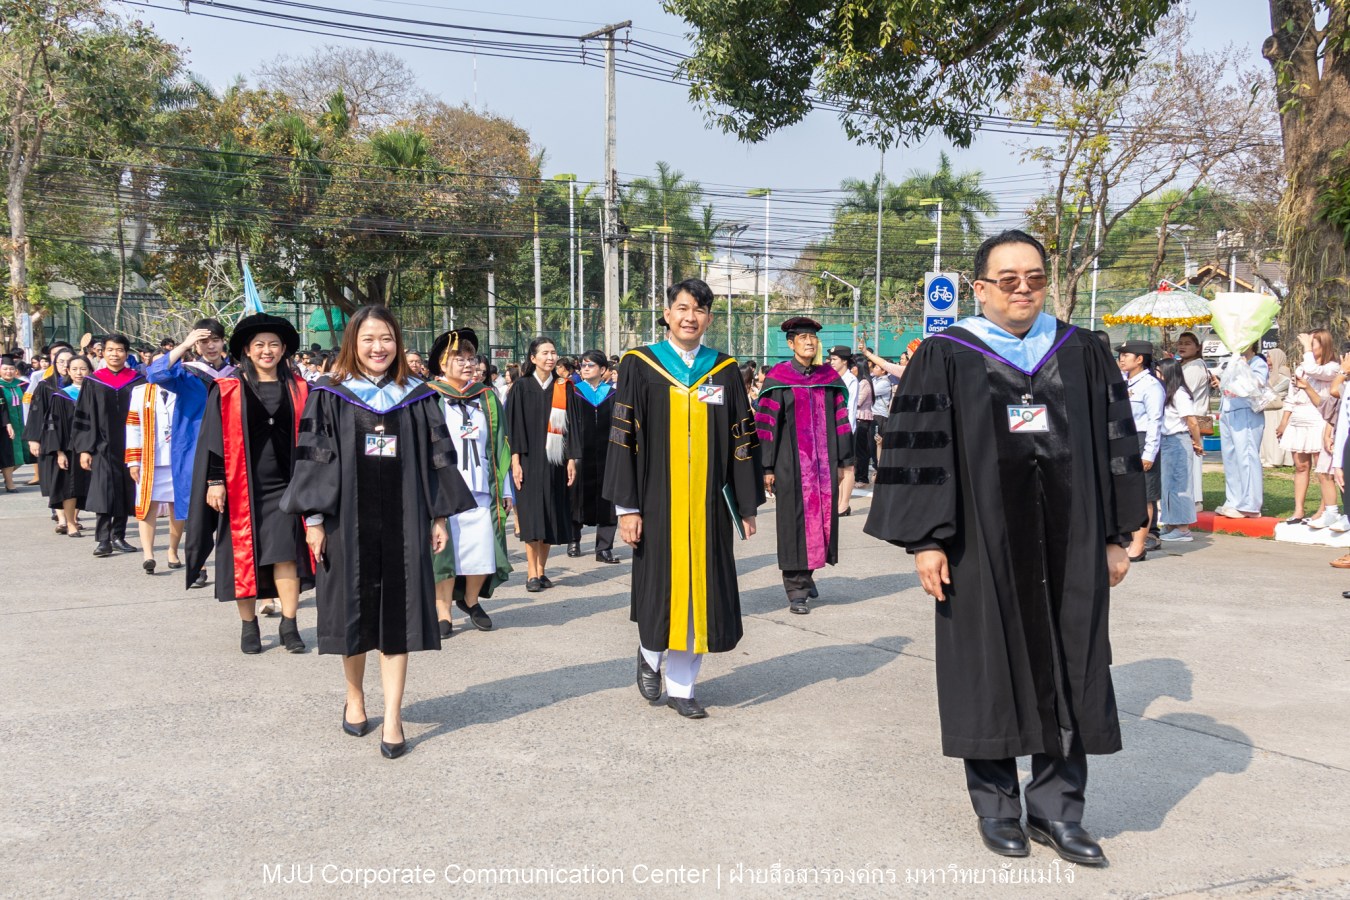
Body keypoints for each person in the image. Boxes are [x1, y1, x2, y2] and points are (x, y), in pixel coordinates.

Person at [865, 230, 1143, 867]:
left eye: (1035, 278)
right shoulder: (947, 354)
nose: (1024, 289)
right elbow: (922, 450)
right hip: (978, 544)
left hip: (1074, 544)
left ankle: (1058, 811)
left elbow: (1114, 442)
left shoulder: (1082, 350)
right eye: (1008, 279)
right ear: (981, 287)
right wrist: (927, 541)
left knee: (1073, 664)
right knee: (986, 666)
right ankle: (996, 807)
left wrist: (1115, 536)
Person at [281, 305, 475, 759]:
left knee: (399, 616)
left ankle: (392, 715)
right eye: (368, 339)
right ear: (353, 343)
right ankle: (355, 697)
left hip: (405, 523)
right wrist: (312, 521)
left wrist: (439, 516)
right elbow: (313, 459)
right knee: (354, 613)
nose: (378, 347)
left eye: (386, 338)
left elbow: (437, 458)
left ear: (398, 341)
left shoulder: (418, 396)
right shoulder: (329, 394)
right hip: (345, 523)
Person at [603, 278, 761, 719]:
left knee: (702, 595)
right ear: (668, 313)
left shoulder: (723, 369)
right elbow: (622, 437)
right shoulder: (640, 364)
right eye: (683, 308)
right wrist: (626, 508)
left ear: (709, 318)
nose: (691, 317)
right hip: (656, 501)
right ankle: (649, 651)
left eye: (700, 310)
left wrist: (745, 505)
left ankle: (682, 687)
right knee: (660, 591)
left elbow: (740, 437)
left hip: (708, 505)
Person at [186, 314, 314, 655]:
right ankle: (249, 626)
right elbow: (215, 439)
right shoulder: (229, 389)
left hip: (287, 487)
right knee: (242, 557)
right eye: (259, 345)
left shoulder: (300, 389)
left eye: (274, 344)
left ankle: (289, 624)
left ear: (284, 349)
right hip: (241, 487)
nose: (267, 351)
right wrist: (215, 481)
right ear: (246, 349)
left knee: (286, 555)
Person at [756, 317, 851, 614]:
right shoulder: (779, 378)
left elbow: (840, 421)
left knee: (820, 522)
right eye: (803, 338)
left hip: (824, 464)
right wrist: (767, 468)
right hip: (790, 464)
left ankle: (807, 576)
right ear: (790, 343)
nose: (810, 342)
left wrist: (843, 462)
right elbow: (766, 427)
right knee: (794, 523)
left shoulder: (827, 378)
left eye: (813, 338)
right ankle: (795, 588)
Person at [427, 327, 513, 637]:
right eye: (458, 358)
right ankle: (442, 612)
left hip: (481, 487)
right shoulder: (429, 397)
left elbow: (501, 444)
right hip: (445, 490)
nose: (467, 364)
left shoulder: (486, 398)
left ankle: (471, 600)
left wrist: (505, 490)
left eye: (470, 358)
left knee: (480, 552)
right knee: (445, 554)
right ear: (441, 363)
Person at [146, 320, 235, 590]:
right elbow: (155, 374)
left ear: (223, 342)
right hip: (193, 449)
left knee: (231, 510)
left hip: (230, 448)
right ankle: (199, 565)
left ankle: (232, 564)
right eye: (203, 341)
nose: (210, 345)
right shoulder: (186, 374)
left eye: (215, 340)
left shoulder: (236, 373)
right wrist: (183, 345)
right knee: (195, 508)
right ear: (196, 345)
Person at [507, 337, 577, 592]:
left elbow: (573, 427)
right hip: (528, 460)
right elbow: (513, 427)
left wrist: (571, 459)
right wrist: (515, 461)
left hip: (555, 460)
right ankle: (531, 572)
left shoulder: (563, 387)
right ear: (533, 358)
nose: (550, 357)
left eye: (553, 353)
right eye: (544, 353)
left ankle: (543, 571)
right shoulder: (521, 387)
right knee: (531, 516)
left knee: (550, 514)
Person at [73, 334, 144, 557]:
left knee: (125, 489)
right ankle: (103, 539)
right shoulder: (94, 381)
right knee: (104, 491)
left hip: (130, 444)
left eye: (120, 350)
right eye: (111, 349)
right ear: (102, 352)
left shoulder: (137, 380)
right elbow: (83, 415)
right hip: (102, 446)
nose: (115, 354)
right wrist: (85, 449)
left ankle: (119, 535)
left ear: (127, 353)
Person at [126, 356, 184, 574]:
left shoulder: (184, 389)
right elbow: (133, 426)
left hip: (178, 458)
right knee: (147, 506)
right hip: (150, 459)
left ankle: (172, 550)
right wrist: (133, 460)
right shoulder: (140, 392)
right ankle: (148, 554)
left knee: (176, 507)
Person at [1277, 330, 1340, 525]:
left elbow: (1315, 371)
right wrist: (1284, 421)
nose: (1309, 348)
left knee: (1323, 469)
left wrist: (1306, 350)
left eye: (1313, 344)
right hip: (1299, 419)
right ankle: (1298, 510)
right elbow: (1291, 395)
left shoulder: (1332, 367)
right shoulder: (1302, 367)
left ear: (1324, 346)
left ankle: (1325, 510)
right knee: (1301, 466)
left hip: (1319, 419)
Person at [567, 350, 621, 563]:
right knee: (575, 496)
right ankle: (574, 539)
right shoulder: (574, 392)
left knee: (608, 499)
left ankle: (604, 548)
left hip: (608, 454)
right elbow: (569, 425)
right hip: (581, 454)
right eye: (583, 365)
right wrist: (571, 453)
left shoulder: (613, 393)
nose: (585, 368)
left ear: (603, 370)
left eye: (590, 365)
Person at [1117, 340, 1164, 561]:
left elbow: (1155, 421)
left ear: (1140, 359)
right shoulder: (1125, 382)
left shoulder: (1151, 386)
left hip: (1143, 440)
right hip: (1127, 439)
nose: (1122, 358)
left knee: (1145, 495)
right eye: (1121, 355)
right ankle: (1130, 539)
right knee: (1129, 493)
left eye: (1126, 355)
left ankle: (1139, 545)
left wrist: (1149, 453)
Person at [1213, 343, 1269, 519]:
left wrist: (1242, 365)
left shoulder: (1257, 362)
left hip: (1246, 411)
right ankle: (1234, 500)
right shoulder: (1232, 361)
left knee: (1247, 456)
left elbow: (1255, 385)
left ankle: (1250, 504)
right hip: (1228, 410)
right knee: (1231, 458)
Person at [24, 347, 75, 527]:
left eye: (68, 362)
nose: (64, 365)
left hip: (74, 439)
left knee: (73, 480)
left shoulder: (79, 386)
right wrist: (33, 439)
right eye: (60, 362)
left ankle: (72, 519)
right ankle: (62, 519)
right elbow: (36, 413)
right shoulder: (45, 385)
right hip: (50, 438)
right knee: (56, 479)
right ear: (55, 363)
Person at [1155, 358, 1204, 542]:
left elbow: (1192, 421)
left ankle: (1183, 528)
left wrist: (1196, 442)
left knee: (1179, 484)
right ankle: (1171, 523)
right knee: (1167, 485)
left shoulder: (1179, 394)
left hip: (1177, 440)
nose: (1157, 374)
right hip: (1166, 441)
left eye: (1159, 371)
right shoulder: (1166, 393)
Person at [42, 356, 93, 535]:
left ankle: (76, 518)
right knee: (70, 487)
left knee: (87, 486)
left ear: (90, 370)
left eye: (83, 369)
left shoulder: (96, 393)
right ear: (68, 372)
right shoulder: (61, 396)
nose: (79, 373)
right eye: (75, 369)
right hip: (71, 449)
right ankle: (70, 522)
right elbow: (54, 426)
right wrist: (59, 452)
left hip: (94, 447)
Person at [1176, 332, 1211, 511]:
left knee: (1193, 461)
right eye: (1180, 343)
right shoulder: (1184, 365)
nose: (1182, 346)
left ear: (1197, 347)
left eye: (1188, 343)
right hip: (1182, 420)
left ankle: (1196, 499)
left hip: (1192, 420)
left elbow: (1183, 390)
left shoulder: (1196, 367)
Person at [828, 345, 858, 515]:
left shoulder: (851, 380)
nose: (831, 362)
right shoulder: (831, 378)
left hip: (845, 430)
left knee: (847, 468)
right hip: (832, 430)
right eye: (831, 359)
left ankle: (844, 505)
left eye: (835, 359)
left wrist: (847, 433)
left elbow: (851, 409)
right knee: (837, 468)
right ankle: (837, 502)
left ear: (844, 361)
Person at [0, 356, 30, 490]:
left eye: (11, 369)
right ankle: (9, 483)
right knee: (8, 454)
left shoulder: (23, 385)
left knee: (23, 454)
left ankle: (7, 477)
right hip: (5, 426)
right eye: (5, 369)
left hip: (22, 425)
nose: (8, 372)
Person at [849, 356, 875, 487]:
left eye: (854, 366)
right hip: (857, 419)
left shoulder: (864, 383)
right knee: (856, 449)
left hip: (862, 419)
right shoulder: (858, 382)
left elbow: (857, 401)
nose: (851, 369)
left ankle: (862, 478)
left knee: (861, 451)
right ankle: (858, 476)